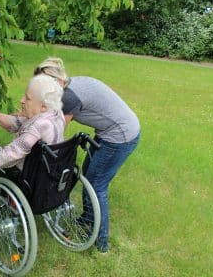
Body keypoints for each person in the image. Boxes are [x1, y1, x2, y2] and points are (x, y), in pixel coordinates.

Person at [34, 57, 141, 253]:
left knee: (96, 184)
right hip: (110, 131)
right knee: (89, 176)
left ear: (58, 81)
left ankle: (100, 244)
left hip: (120, 137)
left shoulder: (68, 97)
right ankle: (88, 220)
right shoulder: (67, 87)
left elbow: (56, 131)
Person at [0, 73, 65, 189]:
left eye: (28, 98)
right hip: (46, 177)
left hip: (26, 181)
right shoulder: (56, 115)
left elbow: (3, 158)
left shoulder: (40, 126)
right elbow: (16, 123)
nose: (22, 100)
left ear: (43, 106)